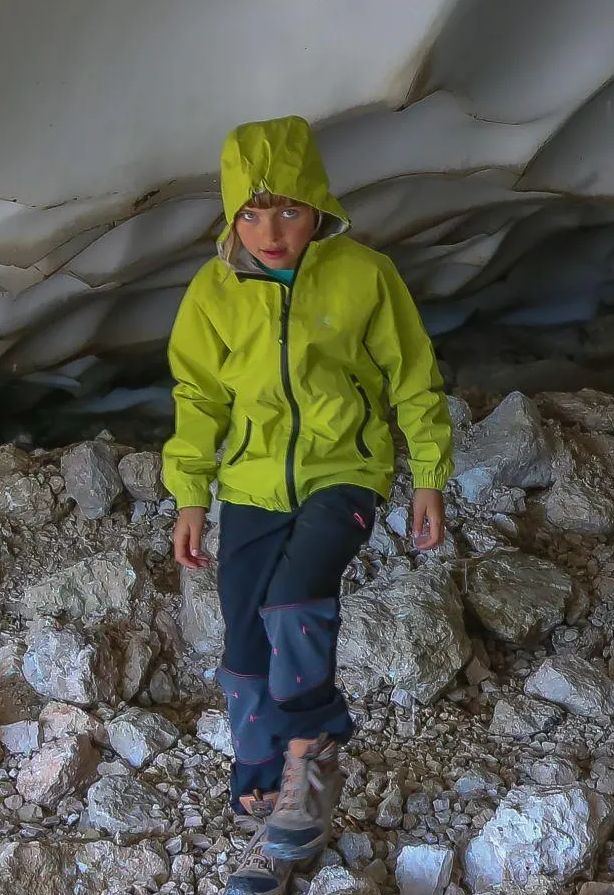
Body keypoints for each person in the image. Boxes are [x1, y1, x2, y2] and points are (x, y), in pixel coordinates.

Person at [163, 116, 453, 895]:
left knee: (295, 602)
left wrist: (428, 473)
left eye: (288, 209)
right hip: (252, 483)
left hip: (345, 471)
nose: (270, 230)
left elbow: (413, 376)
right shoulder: (214, 290)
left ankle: (312, 749)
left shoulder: (363, 275)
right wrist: (190, 491)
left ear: (318, 206)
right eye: (251, 213)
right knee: (241, 644)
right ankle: (262, 774)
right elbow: (197, 394)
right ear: (231, 217)